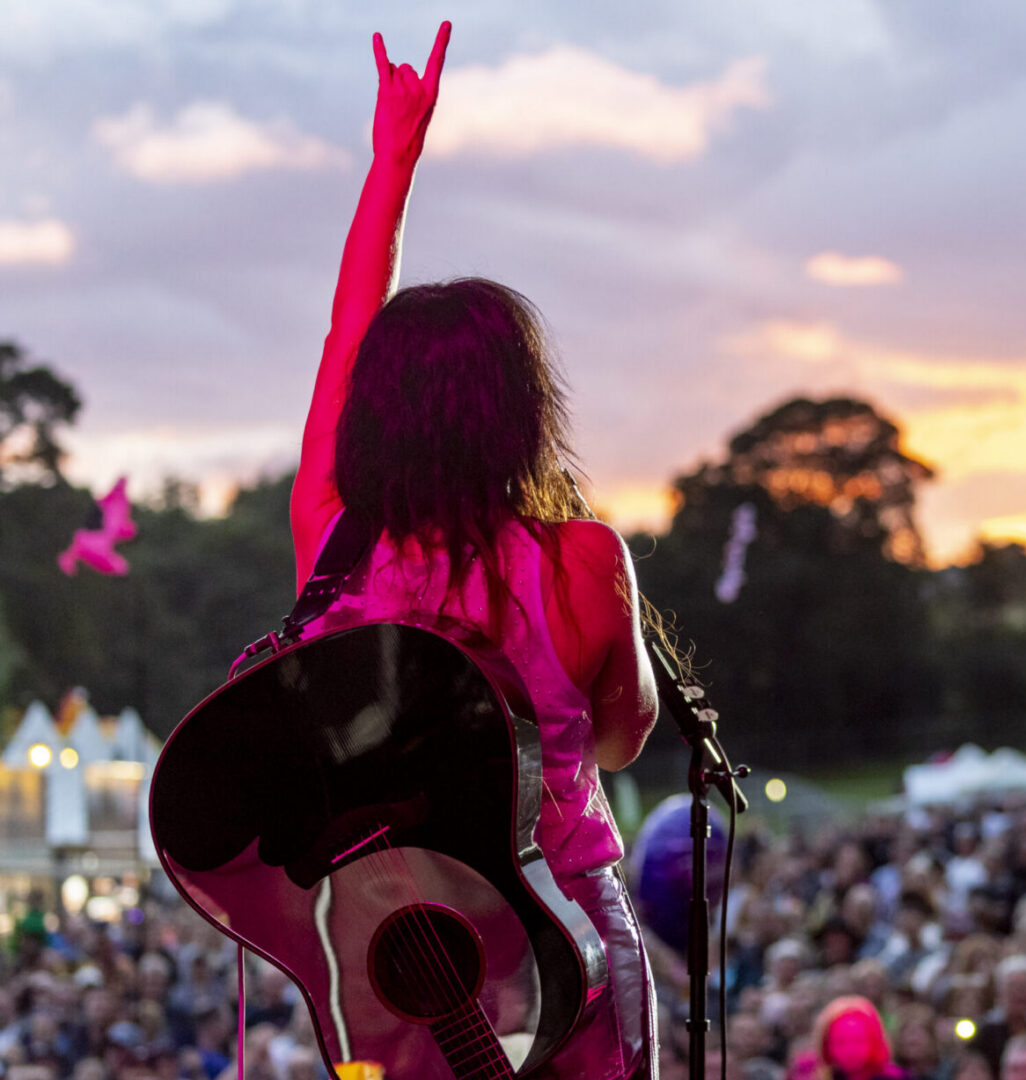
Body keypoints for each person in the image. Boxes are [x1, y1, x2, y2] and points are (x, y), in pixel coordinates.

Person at [291, 21, 660, 1080]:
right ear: (522, 414)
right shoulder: (582, 561)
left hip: (395, 951)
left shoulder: (330, 533)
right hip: (566, 938)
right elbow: (623, 743)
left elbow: (342, 331)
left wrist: (391, 163)